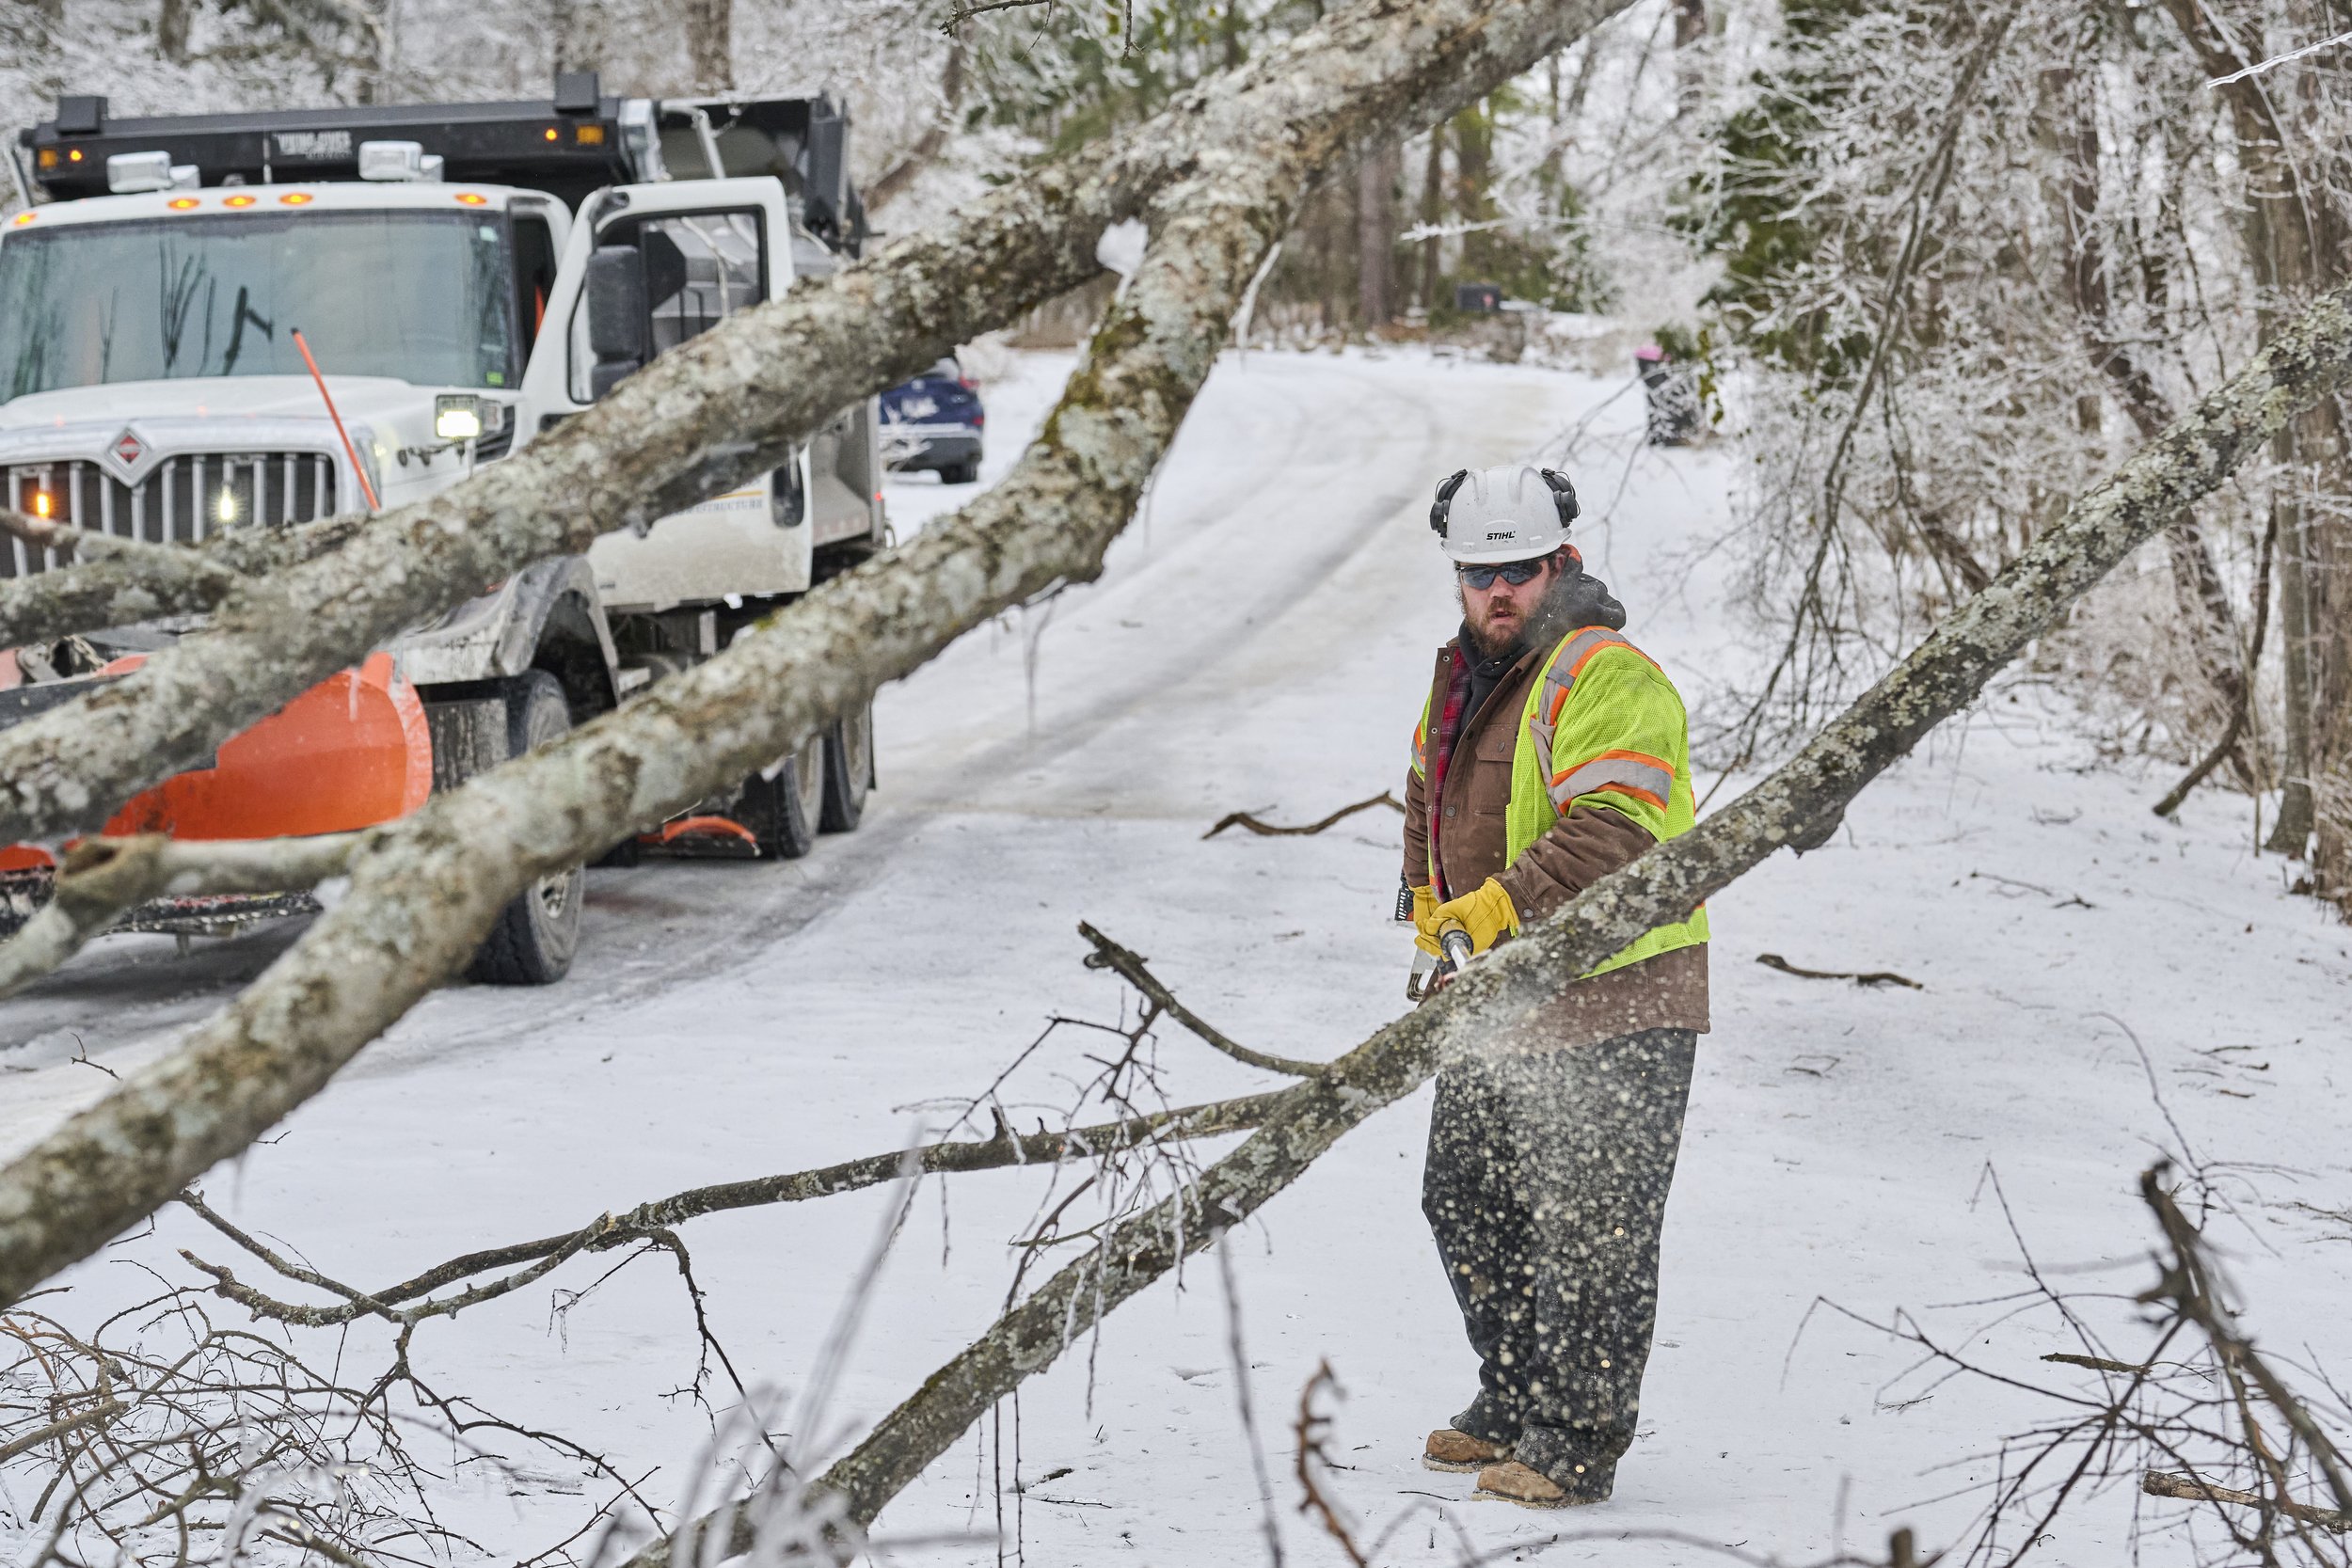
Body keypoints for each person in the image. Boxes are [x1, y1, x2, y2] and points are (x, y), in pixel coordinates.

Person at [1401, 463, 1709, 1509]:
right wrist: (1426, 906)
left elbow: (1618, 829)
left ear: (1560, 564)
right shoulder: (1461, 675)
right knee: (1468, 1194)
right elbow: (1427, 793)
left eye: (1518, 571)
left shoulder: (1603, 672)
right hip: (1500, 992)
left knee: (1592, 1223)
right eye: (1479, 572)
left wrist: (1499, 906)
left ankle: (1574, 1440)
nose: (1498, 591)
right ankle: (1518, 1391)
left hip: (1619, 992)